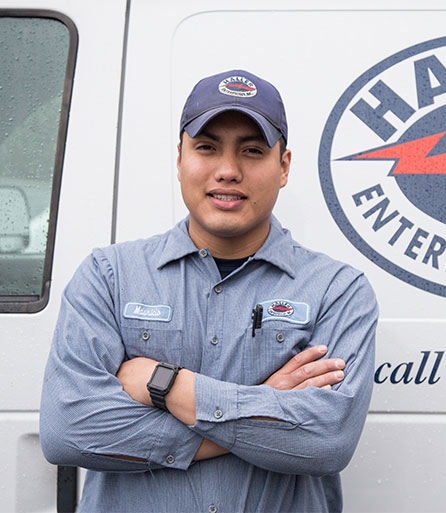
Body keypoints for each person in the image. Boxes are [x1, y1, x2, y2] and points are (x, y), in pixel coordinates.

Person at [40, 69, 378, 513]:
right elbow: (70, 431)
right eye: (206, 147)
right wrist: (266, 402)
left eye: (253, 151)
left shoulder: (338, 290)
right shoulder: (108, 276)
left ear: (284, 167)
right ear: (180, 158)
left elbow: (325, 440)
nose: (228, 170)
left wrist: (167, 385)